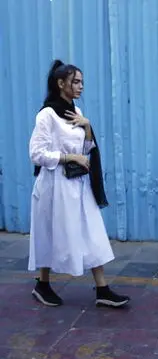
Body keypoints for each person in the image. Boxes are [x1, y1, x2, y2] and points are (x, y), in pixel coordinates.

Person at [28, 60, 130, 308]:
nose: (80, 87)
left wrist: (87, 129)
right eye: (75, 82)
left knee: (92, 231)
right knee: (49, 232)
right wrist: (68, 157)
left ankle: (102, 288)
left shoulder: (77, 113)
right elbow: (36, 154)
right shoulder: (47, 115)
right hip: (55, 186)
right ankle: (42, 284)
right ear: (60, 83)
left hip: (79, 185)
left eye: (82, 82)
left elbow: (86, 151)